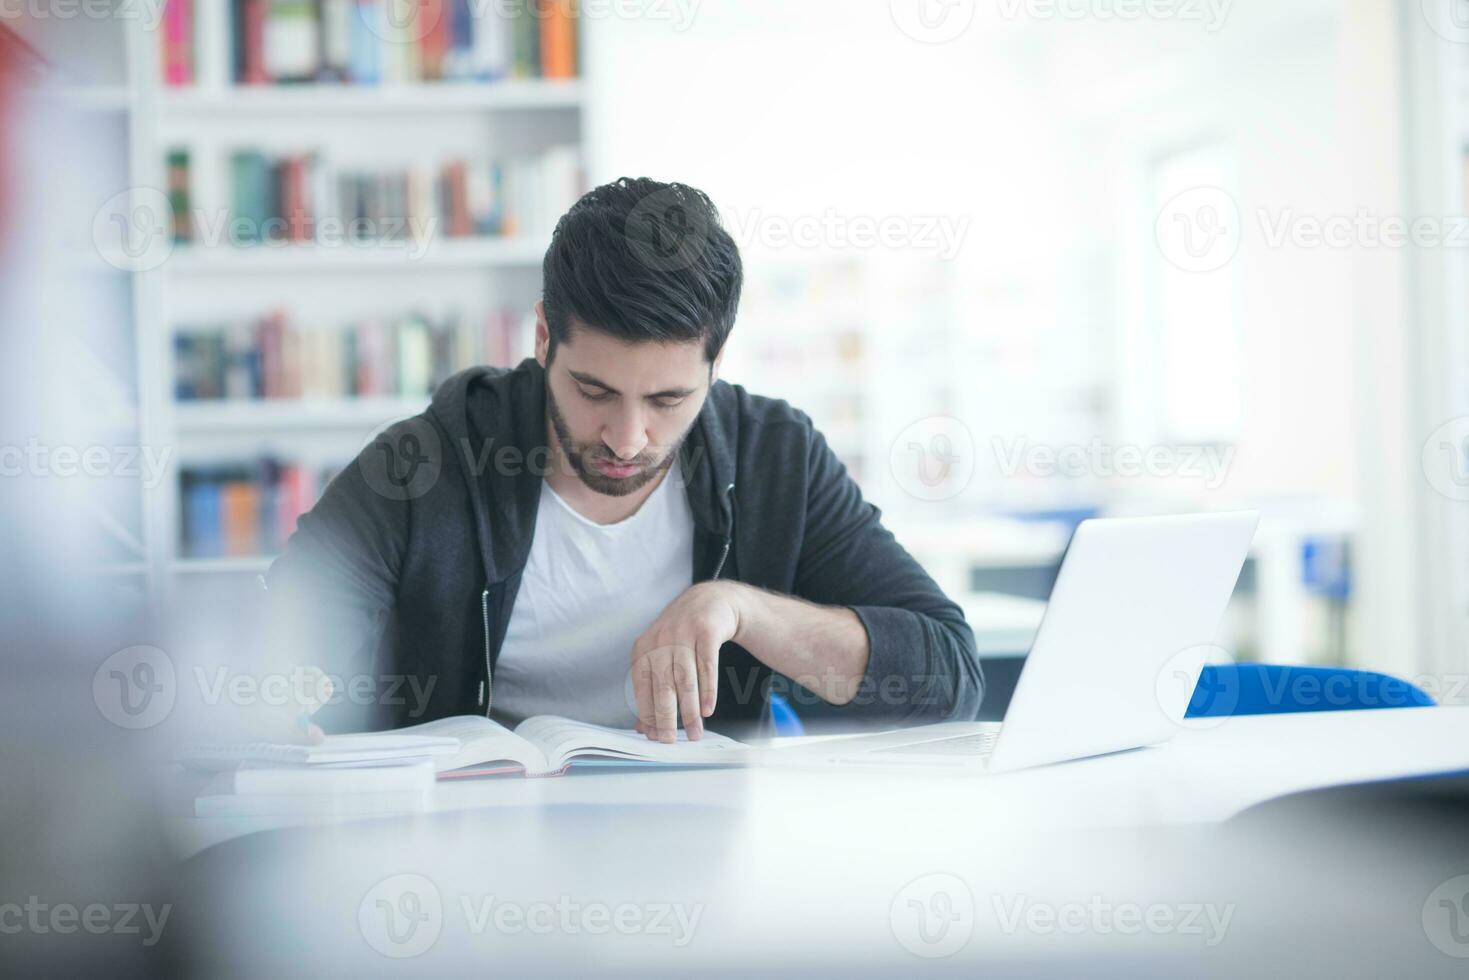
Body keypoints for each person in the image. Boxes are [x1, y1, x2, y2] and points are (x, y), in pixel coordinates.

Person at [266, 177, 983, 742]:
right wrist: (280, 697)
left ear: (715, 364)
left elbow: (948, 677)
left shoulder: (775, 456)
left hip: (699, 847)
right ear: (544, 336)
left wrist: (739, 608)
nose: (626, 437)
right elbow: (280, 640)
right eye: (593, 390)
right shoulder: (426, 462)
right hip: (471, 851)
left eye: (668, 399)